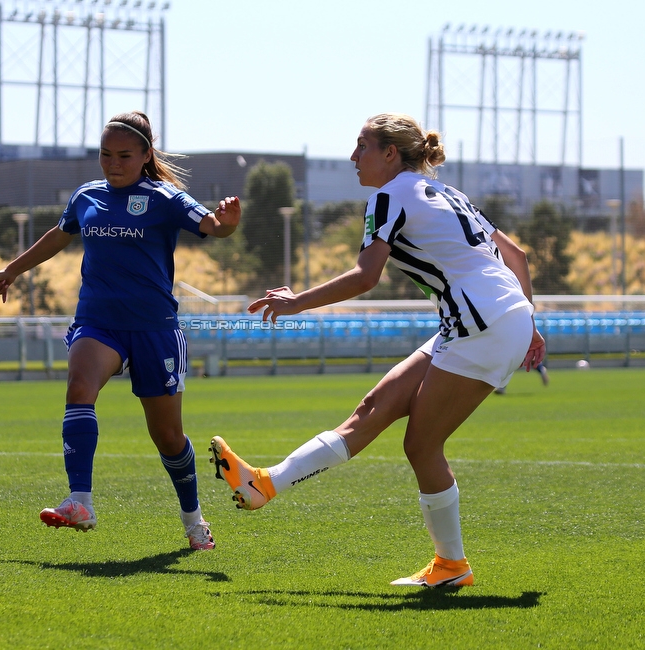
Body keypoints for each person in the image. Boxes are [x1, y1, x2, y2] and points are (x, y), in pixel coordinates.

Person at [209, 113, 545, 585]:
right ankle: (264, 484)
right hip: (491, 319)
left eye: (361, 146)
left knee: (421, 444)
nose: (352, 157)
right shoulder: (447, 192)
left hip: (480, 323)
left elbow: (367, 276)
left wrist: (298, 301)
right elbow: (517, 256)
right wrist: (528, 322)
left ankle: (452, 565)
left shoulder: (388, 196)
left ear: (390, 154)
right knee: (375, 407)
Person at [0, 111, 241, 551]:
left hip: (154, 329)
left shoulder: (164, 197)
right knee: (79, 386)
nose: (113, 163)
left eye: (123, 155)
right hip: (98, 321)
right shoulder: (86, 196)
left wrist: (229, 220)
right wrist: (12, 270)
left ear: (145, 156)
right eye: (105, 154)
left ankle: (193, 519)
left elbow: (214, 228)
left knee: (167, 437)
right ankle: (79, 500)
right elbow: (59, 235)